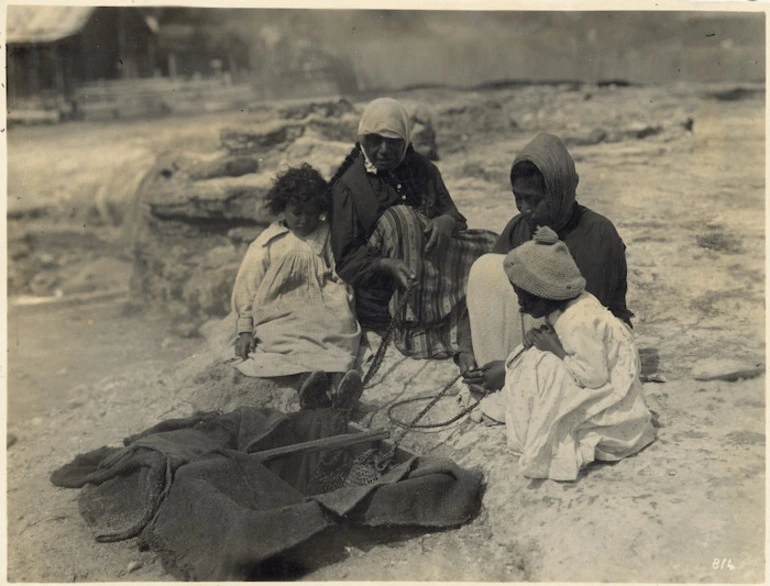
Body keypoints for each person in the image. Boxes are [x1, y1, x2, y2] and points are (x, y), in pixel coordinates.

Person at [459, 132, 632, 393]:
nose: (524, 209)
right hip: (543, 334)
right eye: (518, 198)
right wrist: (466, 349)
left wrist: (511, 369)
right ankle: (491, 375)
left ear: (559, 191)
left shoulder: (597, 234)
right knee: (487, 267)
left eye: (534, 199)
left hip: (584, 345)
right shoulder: (521, 226)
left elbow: (582, 324)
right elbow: (487, 295)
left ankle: (510, 380)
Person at [329, 97, 497, 359]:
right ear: (362, 139)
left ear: (405, 141)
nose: (384, 149)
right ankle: (417, 325)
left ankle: (453, 308)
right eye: (375, 140)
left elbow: (456, 217)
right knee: (401, 218)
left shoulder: (423, 169)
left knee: (492, 247)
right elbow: (346, 259)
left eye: (394, 142)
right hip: (386, 294)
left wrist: (446, 221)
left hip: (430, 269)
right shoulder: (349, 187)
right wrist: (385, 265)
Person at [495, 226, 655, 481]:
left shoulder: (578, 320)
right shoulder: (564, 306)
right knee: (532, 359)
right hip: (589, 362)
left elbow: (594, 377)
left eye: (526, 298)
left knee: (547, 371)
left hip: (607, 382)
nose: (521, 306)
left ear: (547, 293)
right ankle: (532, 419)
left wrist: (555, 349)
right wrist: (541, 338)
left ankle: (541, 428)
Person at [230, 164, 363, 410]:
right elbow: (246, 287)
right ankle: (309, 385)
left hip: (323, 301)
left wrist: (344, 297)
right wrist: (245, 329)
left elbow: (340, 272)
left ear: (321, 211)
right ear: (283, 209)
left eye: (311, 214)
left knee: (338, 327)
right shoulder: (268, 243)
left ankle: (340, 383)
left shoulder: (328, 236)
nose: (303, 220)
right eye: (296, 213)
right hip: (280, 308)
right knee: (281, 337)